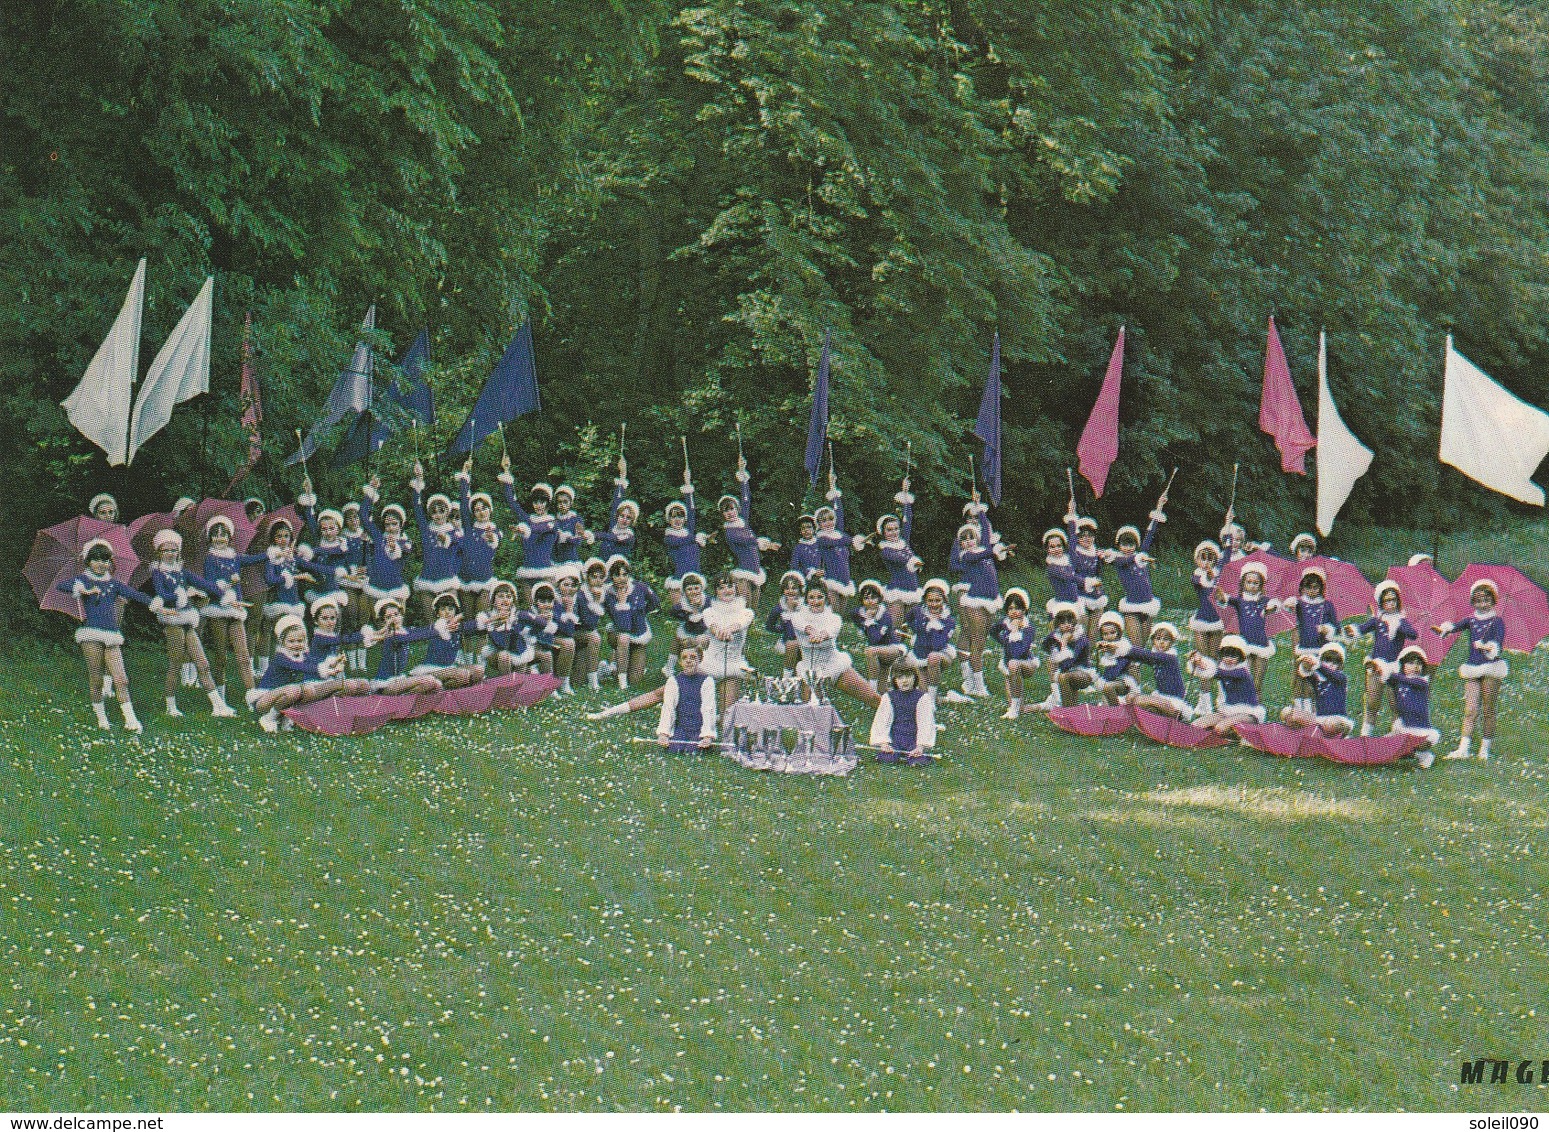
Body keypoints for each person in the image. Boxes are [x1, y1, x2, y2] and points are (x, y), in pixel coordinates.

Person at [56, 539, 150, 731]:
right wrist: (83, 590)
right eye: (97, 560)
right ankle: (101, 718)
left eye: (106, 560)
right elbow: (62, 586)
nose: (102, 564)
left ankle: (131, 721)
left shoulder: (114, 584)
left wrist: (158, 604)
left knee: (121, 679)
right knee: (97, 679)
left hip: (111, 635)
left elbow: (135, 594)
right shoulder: (84, 580)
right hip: (90, 634)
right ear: (88, 561)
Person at [147, 530, 237, 718]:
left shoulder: (182, 572)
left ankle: (218, 706)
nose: (170, 553)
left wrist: (224, 594)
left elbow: (205, 584)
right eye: (166, 550)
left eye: (174, 550)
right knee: (175, 664)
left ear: (179, 552)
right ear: (159, 553)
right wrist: (179, 595)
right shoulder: (157, 573)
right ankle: (170, 706)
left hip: (187, 617)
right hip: (172, 620)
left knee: (203, 664)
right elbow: (162, 595)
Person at [1436, 580, 1508, 760]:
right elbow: (1455, 627)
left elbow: (1498, 643)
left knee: (1488, 709)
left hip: (1491, 668)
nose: (1482, 604)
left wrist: (1487, 647)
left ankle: (1485, 749)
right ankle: (1463, 748)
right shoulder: (1471, 620)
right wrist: (1445, 629)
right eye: (1478, 600)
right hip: (1472, 667)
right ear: (1472, 601)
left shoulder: (1497, 621)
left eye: (1487, 600)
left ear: (1494, 601)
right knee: (1470, 709)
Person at [950, 494, 1012, 699]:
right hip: (973, 600)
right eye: (964, 539)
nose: (968, 541)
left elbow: (985, 534)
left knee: (981, 640)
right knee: (975, 641)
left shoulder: (983, 546)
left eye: (971, 537)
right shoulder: (967, 555)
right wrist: (993, 550)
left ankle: (973, 681)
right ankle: (977, 684)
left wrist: (981, 510)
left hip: (989, 601)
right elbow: (983, 552)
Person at [199, 514, 265, 699]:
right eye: (216, 534)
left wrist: (273, 553)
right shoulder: (210, 559)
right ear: (210, 537)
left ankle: (252, 696)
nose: (220, 538)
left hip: (236, 610)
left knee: (243, 655)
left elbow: (254, 559)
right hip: (218, 609)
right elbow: (210, 585)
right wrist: (229, 583)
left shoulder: (235, 557)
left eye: (224, 534)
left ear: (230, 537)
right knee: (221, 656)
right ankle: (220, 694)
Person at [788, 578, 880, 707]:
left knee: (874, 699)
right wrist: (812, 632)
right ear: (806, 599)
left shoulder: (835, 618)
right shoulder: (797, 617)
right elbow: (804, 626)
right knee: (810, 713)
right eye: (811, 597)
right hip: (810, 671)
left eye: (820, 597)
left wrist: (821, 635)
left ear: (826, 598)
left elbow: (830, 631)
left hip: (834, 665)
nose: (815, 601)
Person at [248, 614, 347, 732]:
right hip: (264, 698)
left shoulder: (302, 655)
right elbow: (302, 667)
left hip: (284, 695)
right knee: (295, 690)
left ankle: (285, 716)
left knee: (307, 690)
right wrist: (329, 670)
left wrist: (335, 662)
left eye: (300, 641)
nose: (296, 644)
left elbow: (315, 663)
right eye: (291, 641)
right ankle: (269, 718)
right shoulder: (281, 657)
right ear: (282, 642)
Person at [1344, 581, 1418, 736]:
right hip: (1376, 663)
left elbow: (1413, 634)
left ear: (1398, 601)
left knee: (1396, 703)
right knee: (1372, 701)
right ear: (1381, 603)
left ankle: (1397, 733)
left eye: (1393, 600)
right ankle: (1366, 734)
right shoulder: (1378, 620)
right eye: (1386, 601)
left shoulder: (1401, 620)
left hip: (1394, 667)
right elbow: (1363, 628)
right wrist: (1352, 630)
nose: (1390, 604)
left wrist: (1399, 625)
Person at [1102, 486, 1168, 644]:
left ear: (1136, 544)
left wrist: (1159, 507)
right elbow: (1126, 560)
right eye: (1124, 544)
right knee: (1135, 648)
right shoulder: (1117, 560)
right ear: (1118, 545)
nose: (1128, 547)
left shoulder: (1141, 555)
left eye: (1131, 544)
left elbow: (1150, 533)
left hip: (1148, 605)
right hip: (1131, 607)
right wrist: (1138, 557)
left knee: (1143, 646)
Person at [455, 460, 503, 660]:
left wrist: (491, 538)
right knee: (466, 621)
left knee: (482, 620)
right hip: (466, 581)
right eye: (477, 509)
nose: (481, 512)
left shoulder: (495, 531)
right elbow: (462, 502)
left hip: (484, 581)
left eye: (484, 508)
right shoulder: (468, 528)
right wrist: (465, 476)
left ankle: (480, 660)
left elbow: (495, 541)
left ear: (490, 510)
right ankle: (466, 658)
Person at [256, 514, 315, 674]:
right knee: (274, 634)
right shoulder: (272, 559)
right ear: (273, 539)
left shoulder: (292, 558)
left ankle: (296, 664)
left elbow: (309, 565)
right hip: (278, 601)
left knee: (295, 633)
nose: (283, 539)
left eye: (286, 536)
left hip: (293, 602)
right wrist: (289, 577)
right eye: (279, 536)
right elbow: (269, 579)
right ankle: (265, 667)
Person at [720, 456, 780, 608]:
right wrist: (760, 542)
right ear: (722, 514)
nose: (730, 513)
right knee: (744, 609)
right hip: (743, 575)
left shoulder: (743, 523)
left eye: (732, 508)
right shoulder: (729, 532)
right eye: (725, 511)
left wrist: (742, 475)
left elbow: (746, 499)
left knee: (753, 610)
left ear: (737, 509)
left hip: (756, 572)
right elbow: (745, 541)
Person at [496, 456, 558, 603]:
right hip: (527, 572)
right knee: (530, 610)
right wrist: (506, 471)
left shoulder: (553, 522)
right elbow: (512, 503)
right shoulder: (528, 520)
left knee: (547, 610)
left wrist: (524, 530)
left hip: (546, 573)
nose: (538, 505)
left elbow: (539, 529)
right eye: (535, 502)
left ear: (548, 503)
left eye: (542, 501)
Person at [1282, 566, 1341, 720]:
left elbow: (1336, 626)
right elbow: (1289, 608)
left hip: (1319, 647)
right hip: (1303, 646)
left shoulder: (1327, 605)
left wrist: (1327, 629)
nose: (1312, 591)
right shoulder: (1300, 604)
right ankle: (1298, 707)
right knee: (1299, 677)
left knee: (1313, 679)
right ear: (1302, 587)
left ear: (1322, 588)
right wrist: (1290, 604)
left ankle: (1310, 711)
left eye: (1316, 587)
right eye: (1309, 587)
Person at [410, 461, 464, 624]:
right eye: (433, 512)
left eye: (442, 511)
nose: (438, 515)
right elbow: (416, 506)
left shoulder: (455, 531)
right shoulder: (426, 530)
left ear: (448, 512)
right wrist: (418, 480)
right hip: (427, 580)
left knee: (452, 623)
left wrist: (448, 539)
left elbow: (460, 545)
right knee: (432, 625)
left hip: (448, 581)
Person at [361, 599, 444, 694]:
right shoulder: (391, 636)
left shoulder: (403, 631)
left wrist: (441, 626)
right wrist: (438, 632)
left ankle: (408, 701)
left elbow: (421, 630)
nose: (394, 619)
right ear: (384, 622)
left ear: (401, 615)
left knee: (436, 684)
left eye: (396, 615)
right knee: (429, 680)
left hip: (399, 680)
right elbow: (414, 637)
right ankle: (403, 700)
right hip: (385, 684)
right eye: (389, 617)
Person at [1216, 561, 1276, 693]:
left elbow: (1274, 605)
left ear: (1261, 585)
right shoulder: (1240, 601)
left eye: (1256, 583)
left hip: (1262, 644)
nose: (1252, 586)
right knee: (1245, 679)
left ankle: (1257, 711)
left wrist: (1271, 608)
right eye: (1249, 582)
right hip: (1245, 644)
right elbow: (1224, 600)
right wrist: (1221, 596)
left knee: (1257, 683)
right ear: (1243, 583)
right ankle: (1244, 706)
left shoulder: (1264, 601)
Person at [1186, 636, 1264, 735]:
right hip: (1229, 711)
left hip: (1248, 713)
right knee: (1196, 725)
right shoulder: (1223, 669)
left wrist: (1203, 664)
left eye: (1234, 656)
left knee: (1220, 728)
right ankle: (1212, 733)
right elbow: (1212, 673)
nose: (1229, 659)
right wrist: (1197, 662)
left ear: (1241, 657)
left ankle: (1247, 732)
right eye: (1226, 655)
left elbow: (1220, 673)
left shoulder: (1242, 672)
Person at [1375, 645, 1438, 767]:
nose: (1415, 667)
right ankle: (1420, 755)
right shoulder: (1399, 680)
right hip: (1404, 727)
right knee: (1385, 747)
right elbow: (1387, 678)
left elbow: (1401, 679)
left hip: (1421, 730)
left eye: (1419, 664)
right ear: (1402, 665)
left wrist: (1388, 673)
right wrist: (1378, 669)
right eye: (1410, 663)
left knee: (1412, 744)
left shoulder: (1422, 682)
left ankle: (1425, 755)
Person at [701, 572, 756, 712]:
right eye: (721, 587)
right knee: (700, 710)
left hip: (733, 666)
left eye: (730, 586)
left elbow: (739, 624)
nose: (727, 590)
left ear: (736, 589)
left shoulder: (747, 612)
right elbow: (713, 626)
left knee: (728, 716)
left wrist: (728, 630)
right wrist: (720, 632)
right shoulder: (708, 611)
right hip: (708, 665)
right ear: (715, 592)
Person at [873, 477, 924, 626]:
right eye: (889, 530)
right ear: (882, 532)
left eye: (896, 529)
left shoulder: (904, 542)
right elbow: (899, 559)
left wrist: (905, 495)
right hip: (897, 591)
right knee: (894, 628)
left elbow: (908, 520)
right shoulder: (885, 549)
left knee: (914, 628)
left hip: (913, 589)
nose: (894, 532)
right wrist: (913, 561)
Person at [603, 556, 659, 690]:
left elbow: (655, 602)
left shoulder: (639, 587)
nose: (621, 578)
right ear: (611, 576)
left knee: (635, 680)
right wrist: (622, 603)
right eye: (617, 575)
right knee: (623, 638)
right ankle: (621, 680)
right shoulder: (609, 595)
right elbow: (624, 626)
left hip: (639, 635)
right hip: (620, 634)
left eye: (625, 574)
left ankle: (613, 666)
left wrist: (642, 612)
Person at [815, 471, 867, 612]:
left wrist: (833, 487)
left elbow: (839, 513)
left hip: (844, 579)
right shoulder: (822, 538)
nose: (828, 523)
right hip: (830, 579)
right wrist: (854, 540)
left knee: (840, 614)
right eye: (824, 520)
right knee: (833, 611)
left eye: (831, 519)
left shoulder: (839, 534)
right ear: (818, 524)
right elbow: (840, 541)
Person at [301, 595, 373, 698]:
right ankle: (334, 705)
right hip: (316, 682)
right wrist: (362, 634)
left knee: (364, 684)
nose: (330, 622)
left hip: (332, 680)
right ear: (316, 621)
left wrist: (376, 634)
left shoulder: (332, 636)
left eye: (332, 618)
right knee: (350, 686)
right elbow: (343, 640)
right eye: (325, 618)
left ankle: (360, 709)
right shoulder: (319, 638)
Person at [869, 657, 937, 766]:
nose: (904, 680)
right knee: (887, 758)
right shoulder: (889, 697)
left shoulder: (922, 698)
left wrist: (920, 746)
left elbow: (925, 723)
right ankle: (892, 754)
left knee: (917, 759)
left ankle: (916, 756)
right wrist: (884, 743)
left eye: (908, 676)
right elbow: (882, 721)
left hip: (913, 740)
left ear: (915, 677)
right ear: (894, 679)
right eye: (900, 677)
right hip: (895, 739)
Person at [905, 579, 962, 704]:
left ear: (944, 600)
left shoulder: (948, 621)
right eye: (930, 600)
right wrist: (915, 629)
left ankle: (932, 701)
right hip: (919, 655)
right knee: (922, 697)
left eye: (938, 600)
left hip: (939, 654)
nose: (934, 604)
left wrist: (932, 627)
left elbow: (938, 645)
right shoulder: (919, 613)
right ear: (925, 601)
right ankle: (938, 698)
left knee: (933, 657)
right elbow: (908, 617)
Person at [411, 593, 485, 689]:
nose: (447, 612)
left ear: (455, 612)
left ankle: (460, 694)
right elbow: (419, 633)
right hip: (431, 669)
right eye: (443, 609)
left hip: (449, 668)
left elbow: (477, 624)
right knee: (462, 675)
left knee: (479, 670)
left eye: (450, 609)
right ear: (437, 613)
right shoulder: (435, 628)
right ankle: (441, 691)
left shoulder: (457, 627)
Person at [654, 644, 719, 752]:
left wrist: (707, 735)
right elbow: (668, 707)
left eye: (693, 657)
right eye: (684, 658)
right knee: (675, 749)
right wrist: (664, 733)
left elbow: (709, 708)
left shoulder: (707, 681)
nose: (688, 661)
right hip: (682, 727)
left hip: (698, 728)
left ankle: (702, 739)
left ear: (700, 659)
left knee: (693, 751)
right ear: (679, 661)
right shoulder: (673, 681)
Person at [1281, 642, 1353, 736]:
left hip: (1337, 720)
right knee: (1287, 712)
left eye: (1336, 661)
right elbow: (1305, 672)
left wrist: (1318, 665)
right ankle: (1304, 736)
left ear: (1340, 665)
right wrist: (1308, 663)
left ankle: (1335, 735)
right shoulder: (1317, 679)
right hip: (1319, 721)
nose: (1331, 664)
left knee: (1332, 724)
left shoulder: (1341, 678)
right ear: (1321, 659)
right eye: (1327, 659)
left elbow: (1329, 673)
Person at [1032, 602, 1094, 712]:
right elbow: (1046, 646)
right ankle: (1070, 711)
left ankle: (1066, 712)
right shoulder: (1056, 636)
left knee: (1063, 676)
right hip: (1066, 673)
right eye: (1062, 622)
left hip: (1083, 673)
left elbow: (1067, 664)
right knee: (1057, 669)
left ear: (1074, 622)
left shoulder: (1081, 639)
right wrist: (1057, 641)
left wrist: (1064, 643)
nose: (1066, 625)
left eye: (1070, 622)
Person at [990, 588, 1041, 720]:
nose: (1014, 612)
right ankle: (1044, 706)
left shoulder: (1028, 628)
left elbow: (1019, 652)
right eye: (1011, 608)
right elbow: (993, 631)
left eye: (1018, 608)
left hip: (1026, 663)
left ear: (1024, 610)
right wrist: (1003, 642)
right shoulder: (1005, 623)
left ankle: (1014, 710)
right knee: (1018, 706)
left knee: (1013, 664)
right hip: (1009, 663)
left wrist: (1015, 630)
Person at [1126, 622, 1193, 721]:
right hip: (1162, 699)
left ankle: (1175, 718)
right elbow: (1140, 658)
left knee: (1138, 700)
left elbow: (1143, 655)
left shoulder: (1169, 658)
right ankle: (1156, 722)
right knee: (1130, 697)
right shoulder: (1158, 658)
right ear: (1153, 641)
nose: (1161, 642)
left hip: (1174, 704)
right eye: (1158, 639)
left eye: (1165, 639)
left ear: (1172, 642)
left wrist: (1123, 648)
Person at [851, 580, 906, 695]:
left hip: (893, 648)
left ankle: (871, 690)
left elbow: (875, 638)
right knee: (882, 693)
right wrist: (864, 621)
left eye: (873, 597)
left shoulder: (884, 615)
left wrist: (869, 621)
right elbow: (853, 614)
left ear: (879, 599)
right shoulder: (862, 613)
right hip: (880, 650)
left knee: (870, 651)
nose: (870, 601)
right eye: (866, 598)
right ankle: (885, 693)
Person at [1065, 509, 1107, 643]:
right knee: (1080, 634)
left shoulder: (1097, 552)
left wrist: (1102, 559)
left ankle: (1088, 660)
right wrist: (1071, 514)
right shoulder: (1074, 551)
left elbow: (1098, 574)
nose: (1086, 538)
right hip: (1079, 596)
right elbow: (1071, 534)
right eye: (1082, 535)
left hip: (1095, 597)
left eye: (1090, 535)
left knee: (1093, 636)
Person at [479, 580, 536, 676]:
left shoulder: (517, 616)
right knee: (504, 655)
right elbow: (482, 627)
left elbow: (528, 634)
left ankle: (518, 684)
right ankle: (507, 684)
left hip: (515, 650)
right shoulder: (487, 616)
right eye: (501, 596)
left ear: (513, 601)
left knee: (523, 654)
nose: (505, 600)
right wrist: (497, 620)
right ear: (493, 600)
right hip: (495, 654)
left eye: (509, 597)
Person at [662, 481, 707, 597]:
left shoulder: (688, 532)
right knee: (678, 609)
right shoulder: (669, 537)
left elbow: (691, 511)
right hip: (679, 578)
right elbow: (679, 542)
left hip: (695, 577)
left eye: (680, 516)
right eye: (673, 516)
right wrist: (695, 538)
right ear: (669, 519)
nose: (677, 519)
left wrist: (688, 488)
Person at [666, 572, 711, 674]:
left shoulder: (707, 601)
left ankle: (701, 668)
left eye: (696, 588)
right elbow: (673, 612)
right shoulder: (683, 603)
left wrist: (696, 609)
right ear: (685, 592)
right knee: (677, 640)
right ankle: (669, 667)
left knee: (700, 642)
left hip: (705, 631)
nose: (693, 592)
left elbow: (707, 620)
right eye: (689, 589)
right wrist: (685, 612)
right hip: (688, 630)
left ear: (701, 588)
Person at [764, 570, 806, 679]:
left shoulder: (805, 606)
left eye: (794, 588)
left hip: (805, 639)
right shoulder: (779, 608)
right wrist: (782, 629)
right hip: (789, 642)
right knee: (792, 645)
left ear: (800, 589)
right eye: (787, 588)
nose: (790, 591)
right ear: (783, 590)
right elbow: (769, 626)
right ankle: (787, 676)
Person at [1189, 540, 1225, 664]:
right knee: (1203, 659)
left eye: (1210, 559)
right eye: (1203, 559)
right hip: (1201, 620)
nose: (1206, 562)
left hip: (1216, 620)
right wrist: (1210, 576)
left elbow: (1221, 600)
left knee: (1214, 657)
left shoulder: (1218, 575)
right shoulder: (1196, 575)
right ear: (1197, 560)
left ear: (1215, 561)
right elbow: (1201, 581)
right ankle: (1204, 683)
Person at [1041, 527, 1082, 621]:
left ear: (1063, 546)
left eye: (1059, 546)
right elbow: (1068, 577)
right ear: (1047, 549)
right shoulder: (1052, 567)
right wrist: (1087, 582)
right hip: (1062, 605)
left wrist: (1072, 521)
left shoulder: (1068, 561)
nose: (1056, 549)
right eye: (1052, 547)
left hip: (1074, 602)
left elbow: (1073, 544)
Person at [789, 515, 822, 582]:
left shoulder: (820, 544)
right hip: (806, 579)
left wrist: (823, 571)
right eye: (803, 528)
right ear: (800, 531)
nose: (806, 530)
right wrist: (810, 572)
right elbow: (794, 567)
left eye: (809, 527)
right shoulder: (798, 548)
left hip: (822, 577)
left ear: (814, 529)